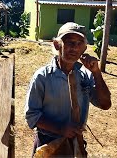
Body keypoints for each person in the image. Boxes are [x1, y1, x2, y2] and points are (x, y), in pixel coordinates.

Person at [25, 22, 111, 156]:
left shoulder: (85, 75)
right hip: (48, 144)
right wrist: (60, 129)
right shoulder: (43, 77)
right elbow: (32, 116)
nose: (75, 48)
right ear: (57, 45)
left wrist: (96, 72)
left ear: (84, 48)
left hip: (76, 144)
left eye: (79, 43)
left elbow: (105, 104)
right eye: (70, 42)